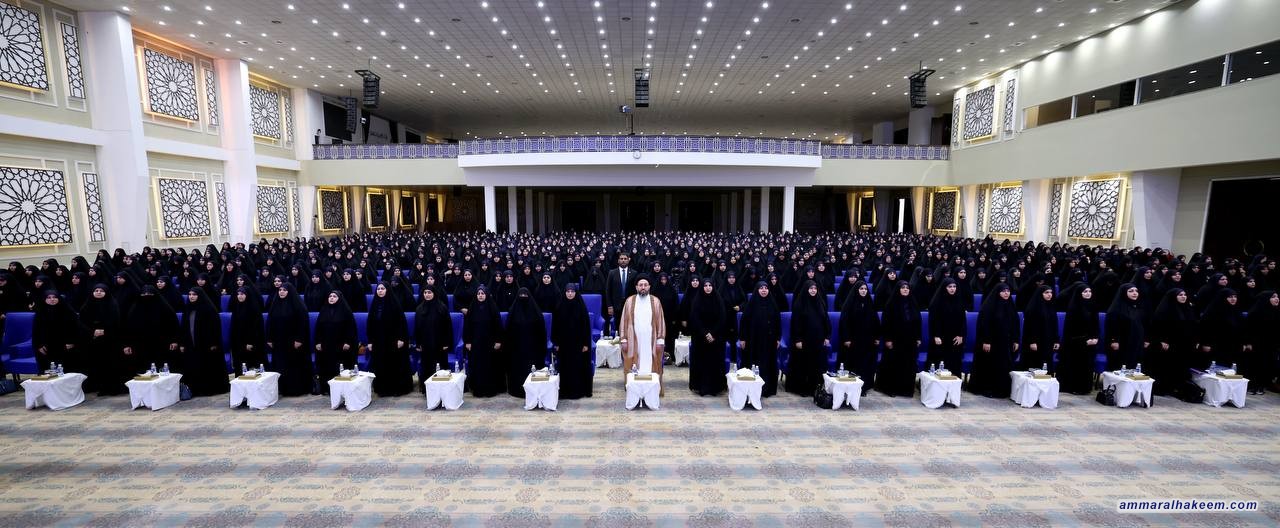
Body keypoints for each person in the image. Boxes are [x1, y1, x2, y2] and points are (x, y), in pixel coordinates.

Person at [971, 283, 1020, 398]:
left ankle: (1002, 390)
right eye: (1003, 291)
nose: (1006, 293)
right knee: (990, 365)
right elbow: (984, 325)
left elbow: (1015, 325)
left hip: (1005, 342)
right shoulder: (989, 306)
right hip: (992, 342)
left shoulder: (1011, 306)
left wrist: (1016, 340)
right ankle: (988, 389)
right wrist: (986, 341)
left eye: (1008, 291)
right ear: (998, 292)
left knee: (1003, 365)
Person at [619, 275, 666, 394]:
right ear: (636, 287)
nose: (643, 287)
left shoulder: (656, 301)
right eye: (640, 285)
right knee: (634, 365)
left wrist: (660, 340)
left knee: (650, 364)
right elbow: (624, 321)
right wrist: (623, 339)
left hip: (651, 340)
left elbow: (660, 321)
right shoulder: (629, 301)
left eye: (645, 285)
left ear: (649, 287)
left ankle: (652, 391)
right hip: (633, 340)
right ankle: (634, 391)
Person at [179, 288, 230, 396]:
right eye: (190, 294)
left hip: (207, 345)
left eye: (194, 294)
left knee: (207, 366)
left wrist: (213, 343)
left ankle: (208, 389)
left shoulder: (208, 309)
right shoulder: (187, 308)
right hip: (191, 344)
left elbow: (215, 328)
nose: (191, 296)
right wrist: (182, 343)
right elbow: (183, 328)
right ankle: (195, 389)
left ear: (200, 296)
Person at [1147, 288, 1198, 395]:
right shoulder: (1165, 310)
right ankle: (1164, 387)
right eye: (1180, 295)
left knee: (1181, 365)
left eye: (1184, 295)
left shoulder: (1188, 308)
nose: (1183, 297)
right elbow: (1157, 327)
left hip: (1184, 343)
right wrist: (1161, 340)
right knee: (1167, 366)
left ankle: (1178, 388)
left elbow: (1193, 326)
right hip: (1169, 344)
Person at [266, 284, 314, 397]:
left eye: (284, 290)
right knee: (280, 364)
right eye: (280, 290)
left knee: (293, 365)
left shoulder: (298, 306)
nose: (281, 292)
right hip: (279, 341)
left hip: (293, 342)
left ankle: (295, 389)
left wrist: (299, 339)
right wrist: (269, 338)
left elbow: (302, 324)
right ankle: (282, 388)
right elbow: (270, 322)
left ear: (290, 292)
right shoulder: (275, 304)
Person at [877, 281, 922, 397]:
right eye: (903, 288)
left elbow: (918, 322)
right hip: (895, 340)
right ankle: (891, 389)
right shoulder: (891, 304)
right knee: (893, 364)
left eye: (907, 288)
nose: (905, 289)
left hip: (910, 339)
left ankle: (905, 390)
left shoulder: (913, 303)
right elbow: (886, 323)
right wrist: (888, 339)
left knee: (908, 364)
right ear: (898, 289)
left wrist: (918, 337)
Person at [368, 282, 413, 397]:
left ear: (387, 290)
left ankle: (396, 389)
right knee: (381, 364)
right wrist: (370, 341)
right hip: (379, 340)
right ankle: (383, 389)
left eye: (382, 289)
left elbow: (401, 324)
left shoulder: (394, 304)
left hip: (393, 340)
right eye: (378, 289)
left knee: (394, 364)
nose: (380, 291)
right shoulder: (374, 305)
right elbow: (370, 325)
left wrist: (401, 339)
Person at [786, 280, 831, 395]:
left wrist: (827, 336)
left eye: (815, 288)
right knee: (803, 364)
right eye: (811, 288)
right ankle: (803, 388)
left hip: (818, 340)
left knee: (816, 364)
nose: (813, 290)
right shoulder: (799, 304)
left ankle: (814, 387)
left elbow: (826, 320)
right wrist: (797, 339)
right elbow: (795, 324)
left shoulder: (820, 302)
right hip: (804, 341)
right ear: (806, 289)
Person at [738, 281, 782, 397]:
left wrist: (778, 338)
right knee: (753, 363)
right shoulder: (751, 305)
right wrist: (742, 338)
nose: (764, 290)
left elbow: (778, 323)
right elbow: (744, 323)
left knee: (768, 364)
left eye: (766, 288)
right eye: (761, 288)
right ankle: (750, 390)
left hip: (769, 341)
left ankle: (766, 389)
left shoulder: (773, 304)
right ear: (757, 290)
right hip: (753, 341)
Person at [838, 280, 880, 396]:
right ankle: (851, 387)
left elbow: (876, 322)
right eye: (861, 289)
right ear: (857, 290)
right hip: (853, 341)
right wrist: (846, 338)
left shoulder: (870, 303)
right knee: (853, 363)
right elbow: (844, 322)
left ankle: (863, 387)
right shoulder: (849, 304)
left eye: (865, 289)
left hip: (867, 341)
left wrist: (877, 337)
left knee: (865, 364)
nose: (863, 291)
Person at [551, 283, 593, 399]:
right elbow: (555, 327)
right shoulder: (559, 306)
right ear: (565, 293)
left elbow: (586, 327)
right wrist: (556, 343)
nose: (570, 294)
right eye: (568, 291)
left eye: (572, 292)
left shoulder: (581, 307)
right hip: (563, 343)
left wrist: (585, 344)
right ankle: (565, 391)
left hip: (578, 343)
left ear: (576, 293)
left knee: (577, 367)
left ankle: (577, 391)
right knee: (565, 367)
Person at [78, 284, 121, 395]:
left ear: (106, 292)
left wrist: (105, 331)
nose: (98, 292)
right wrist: (92, 331)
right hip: (91, 339)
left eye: (101, 290)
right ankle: (94, 385)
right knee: (93, 363)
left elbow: (117, 322)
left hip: (109, 340)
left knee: (108, 363)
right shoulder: (86, 306)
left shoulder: (112, 305)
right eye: (96, 290)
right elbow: (81, 323)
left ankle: (109, 387)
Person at [505, 288, 547, 398]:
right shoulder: (513, 312)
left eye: (525, 295)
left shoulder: (536, 312)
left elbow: (541, 332)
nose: (523, 297)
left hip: (533, 348)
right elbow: (508, 331)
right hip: (517, 347)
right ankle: (517, 390)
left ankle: (534, 391)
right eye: (521, 295)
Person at [463, 286, 505, 397]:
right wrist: (468, 341)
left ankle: (491, 389)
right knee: (478, 366)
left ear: (486, 295)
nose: (480, 295)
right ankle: (478, 389)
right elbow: (467, 327)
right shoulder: (472, 308)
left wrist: (498, 341)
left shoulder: (493, 308)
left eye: (482, 293)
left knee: (490, 365)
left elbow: (498, 326)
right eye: (478, 294)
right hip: (476, 343)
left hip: (490, 343)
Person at [1058, 285, 1100, 395]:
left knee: (1088, 361)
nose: (1088, 293)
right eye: (1085, 291)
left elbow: (1096, 326)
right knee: (1077, 361)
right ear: (1079, 293)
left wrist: (1096, 338)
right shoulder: (1073, 308)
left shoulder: (1093, 306)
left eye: (1090, 291)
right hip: (1075, 344)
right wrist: (1084, 341)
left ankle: (1085, 387)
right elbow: (1070, 331)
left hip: (1091, 342)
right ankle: (1075, 387)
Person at [687, 279, 727, 396]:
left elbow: (722, 318)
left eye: (710, 285)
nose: (708, 287)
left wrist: (713, 333)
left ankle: (715, 388)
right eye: (705, 285)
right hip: (700, 338)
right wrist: (705, 333)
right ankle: (700, 387)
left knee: (714, 362)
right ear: (702, 287)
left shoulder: (718, 300)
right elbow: (695, 319)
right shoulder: (697, 300)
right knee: (701, 362)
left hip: (716, 337)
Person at [414, 287, 455, 391]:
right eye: (425, 292)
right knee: (427, 367)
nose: (427, 294)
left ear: (434, 293)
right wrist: (418, 343)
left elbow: (448, 327)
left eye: (429, 292)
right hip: (426, 344)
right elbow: (417, 328)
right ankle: (428, 390)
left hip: (440, 343)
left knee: (442, 367)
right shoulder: (419, 309)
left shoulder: (442, 307)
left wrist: (446, 343)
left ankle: (444, 390)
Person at [315, 291, 359, 388]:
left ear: (339, 299)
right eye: (330, 296)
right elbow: (318, 328)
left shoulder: (346, 311)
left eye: (334, 296)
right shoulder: (324, 310)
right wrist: (318, 342)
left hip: (341, 346)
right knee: (326, 365)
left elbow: (351, 328)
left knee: (340, 365)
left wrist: (348, 342)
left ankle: (341, 388)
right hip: (326, 344)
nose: (331, 298)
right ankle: (326, 387)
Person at [1198, 288, 1246, 371]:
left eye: (1235, 297)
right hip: (1216, 345)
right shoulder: (1213, 310)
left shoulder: (1236, 310)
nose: (1233, 299)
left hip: (1232, 345)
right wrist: (1206, 343)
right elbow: (1205, 328)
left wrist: (1243, 343)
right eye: (1230, 297)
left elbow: (1242, 328)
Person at [926, 278, 967, 372]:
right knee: (938, 364)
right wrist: (936, 336)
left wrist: (961, 335)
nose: (952, 289)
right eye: (950, 287)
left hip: (955, 338)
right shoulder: (936, 302)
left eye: (954, 286)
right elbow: (933, 321)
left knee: (954, 364)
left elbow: (963, 320)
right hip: (940, 338)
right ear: (945, 288)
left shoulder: (959, 300)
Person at [1104, 284, 1147, 372]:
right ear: (1123, 293)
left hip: (1136, 343)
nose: (1135, 293)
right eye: (1131, 291)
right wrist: (1114, 341)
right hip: (1122, 344)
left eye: (1136, 291)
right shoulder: (1116, 308)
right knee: (1121, 368)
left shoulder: (1137, 306)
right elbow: (1111, 326)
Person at [1244, 291, 1278, 394]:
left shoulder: (1276, 312)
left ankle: (1263, 385)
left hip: (1271, 344)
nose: (1277, 299)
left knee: (1268, 365)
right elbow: (1248, 329)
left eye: (1277, 297)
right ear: (1266, 299)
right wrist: (1248, 342)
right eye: (1273, 297)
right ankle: (1253, 386)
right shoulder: (1256, 312)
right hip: (1257, 343)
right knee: (1256, 364)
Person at [1019, 285, 1059, 371]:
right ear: (1040, 294)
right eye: (1046, 292)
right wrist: (1032, 341)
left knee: (1047, 367)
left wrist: (1056, 340)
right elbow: (1029, 327)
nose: (1049, 294)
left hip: (1048, 341)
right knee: (1035, 366)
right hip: (1036, 342)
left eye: (1051, 292)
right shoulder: (1033, 308)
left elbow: (1054, 325)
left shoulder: (1051, 306)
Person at [228, 286, 266, 370]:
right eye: (238, 294)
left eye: (242, 294)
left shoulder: (254, 309)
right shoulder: (237, 307)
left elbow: (256, 328)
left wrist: (251, 342)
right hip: (239, 343)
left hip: (251, 343)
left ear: (247, 295)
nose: (239, 296)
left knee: (251, 367)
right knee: (240, 367)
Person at [604, 253, 637, 335]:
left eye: (625, 259)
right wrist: (609, 306)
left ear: (628, 260)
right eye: (621, 259)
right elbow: (608, 290)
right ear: (618, 260)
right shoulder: (612, 273)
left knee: (629, 325)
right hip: (616, 305)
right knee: (618, 326)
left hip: (629, 304)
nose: (623, 260)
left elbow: (635, 291)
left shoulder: (634, 273)